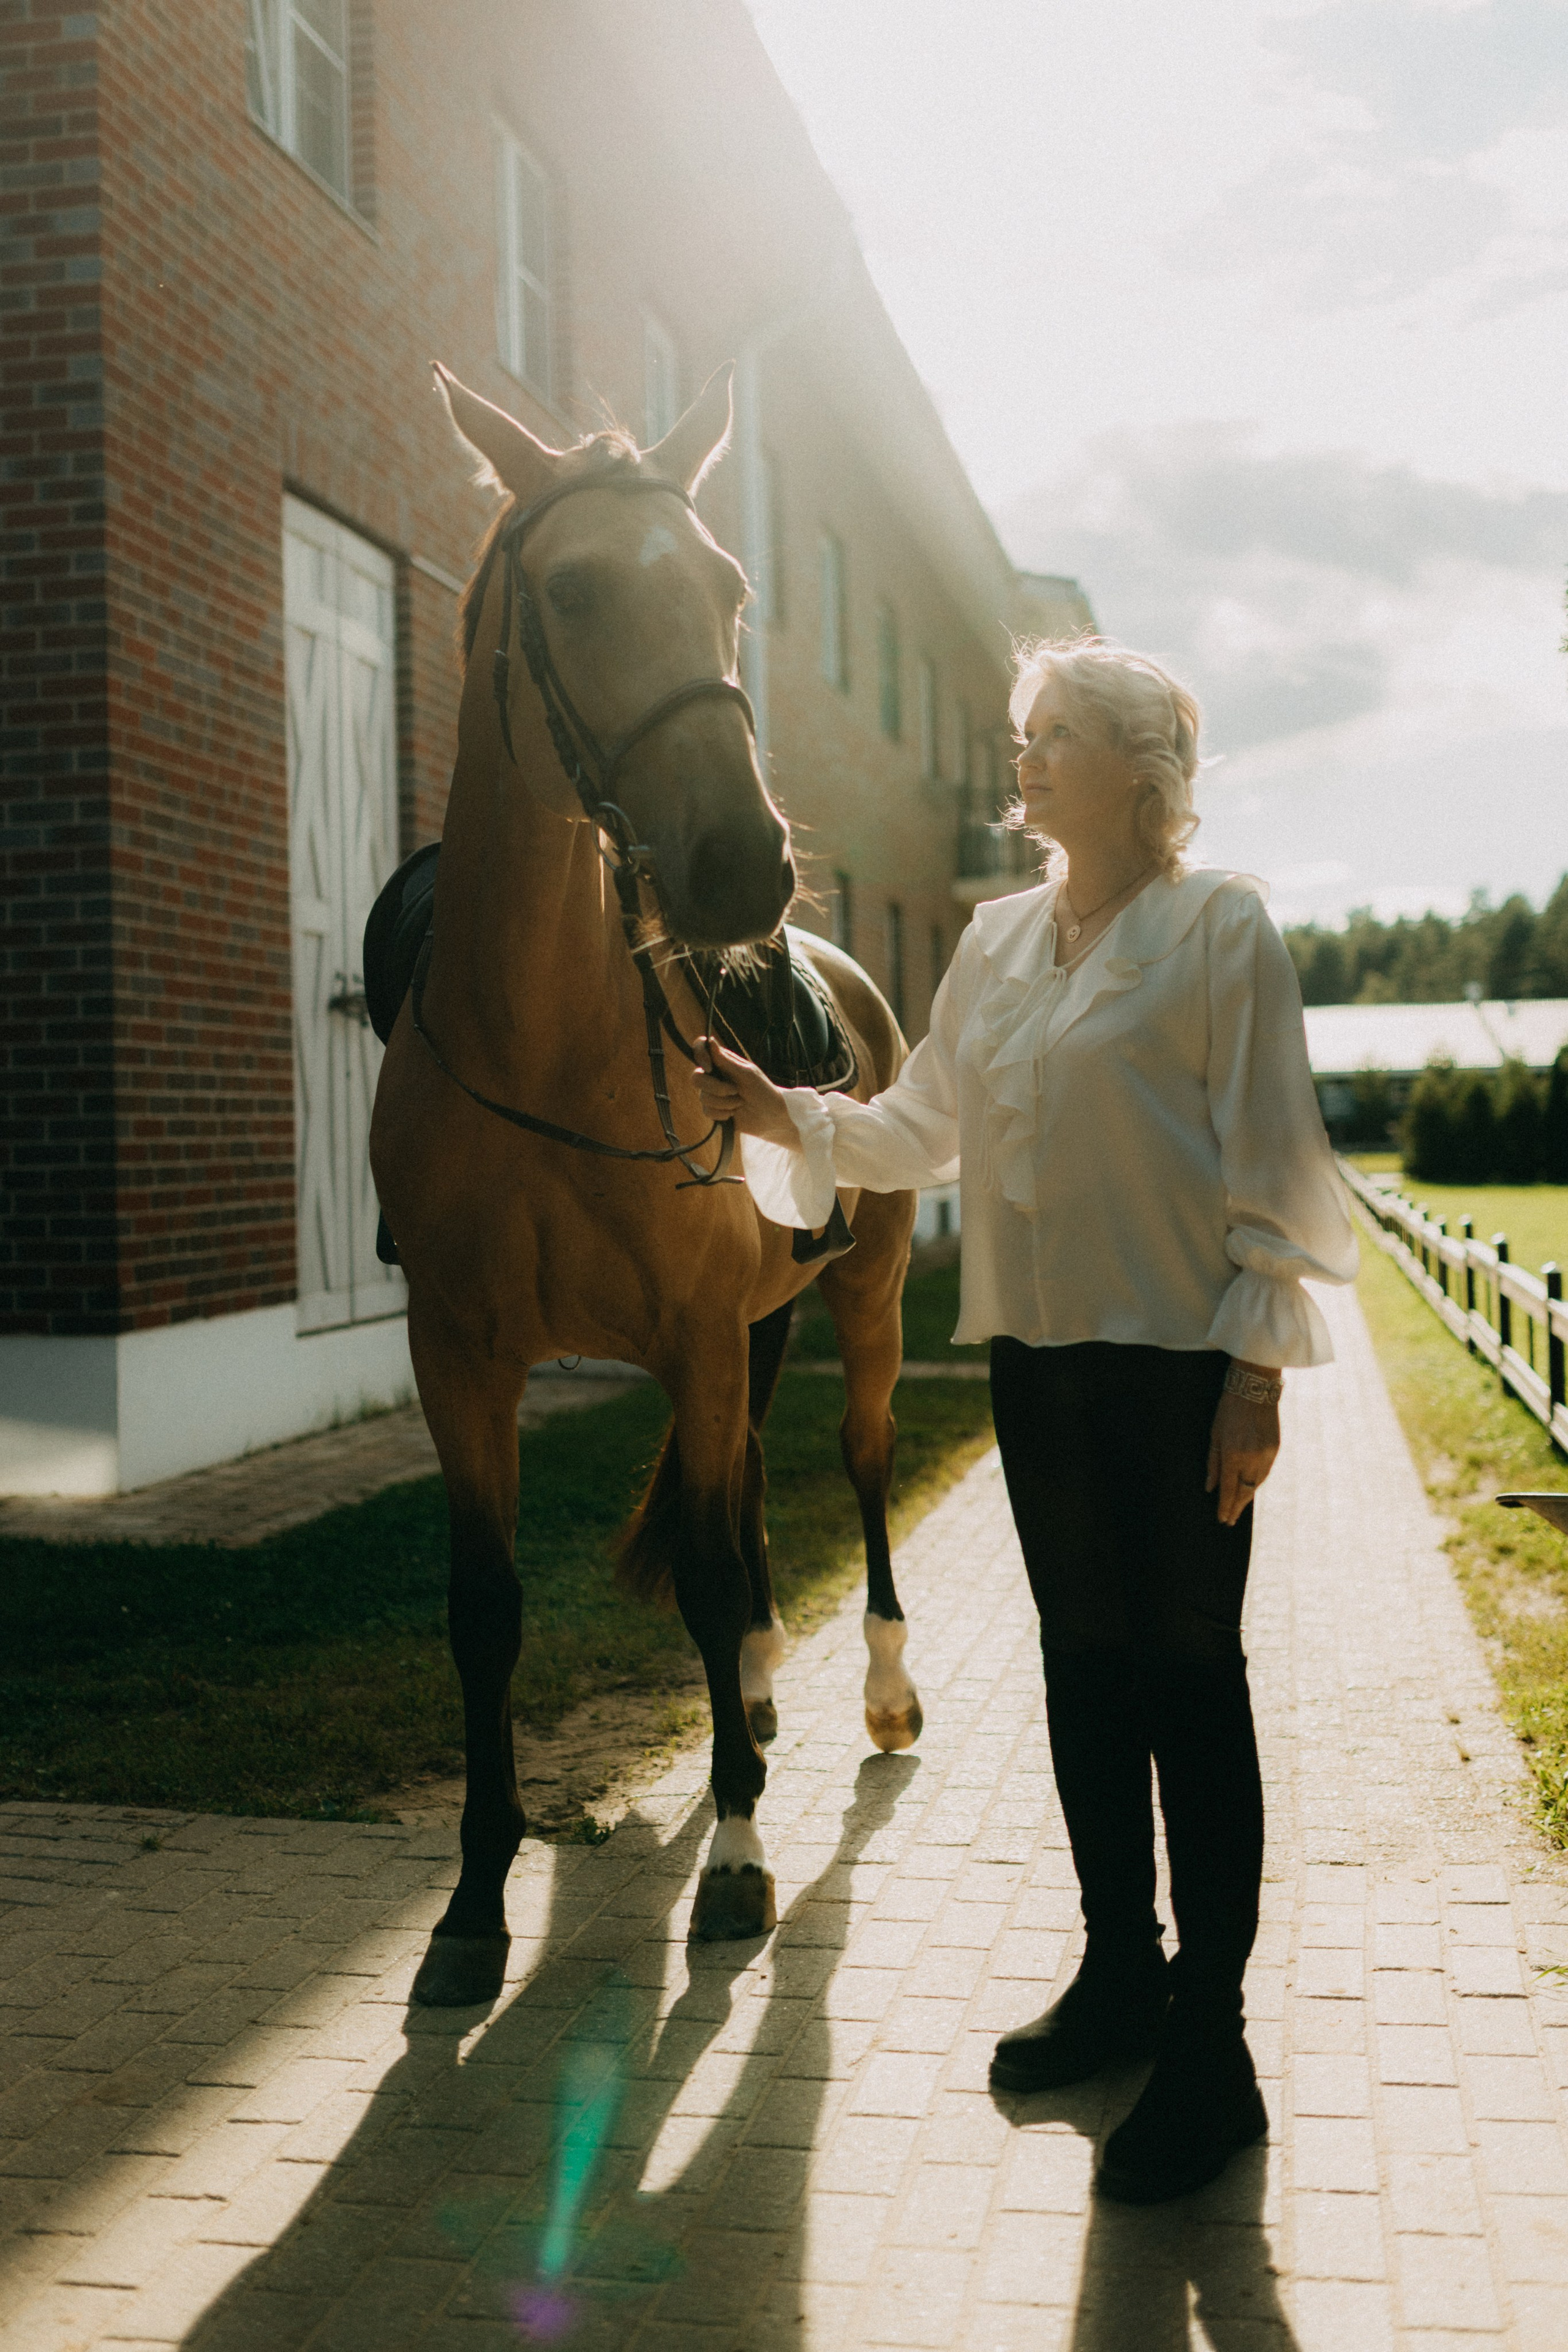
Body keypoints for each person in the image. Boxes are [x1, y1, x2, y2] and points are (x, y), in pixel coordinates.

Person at [694, 639, 1357, 2205]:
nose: (1024, 754)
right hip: (1037, 1373)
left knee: (1190, 1689)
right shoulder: (992, 944)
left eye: (1053, 732)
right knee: (1082, 1675)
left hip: (1181, 1370)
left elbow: (1272, 1162)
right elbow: (922, 1130)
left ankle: (1214, 2048)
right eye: (1020, 731)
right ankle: (1119, 1976)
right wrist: (782, 1111)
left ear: (1141, 770)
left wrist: (1257, 1373)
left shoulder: (1218, 928)